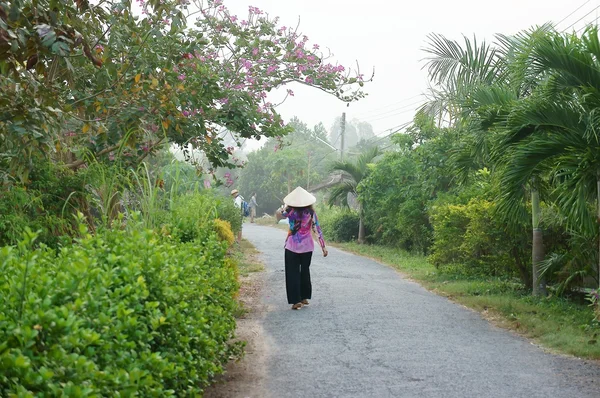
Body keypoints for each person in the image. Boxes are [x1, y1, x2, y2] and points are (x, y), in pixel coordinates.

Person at [282, 186, 328, 310]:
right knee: (305, 271)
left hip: (291, 246)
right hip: (307, 247)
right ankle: (304, 297)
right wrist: (323, 247)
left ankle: (296, 300)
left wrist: (285, 207)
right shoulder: (311, 213)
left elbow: (279, 215)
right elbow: (317, 229)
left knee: (293, 273)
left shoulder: (290, 212)